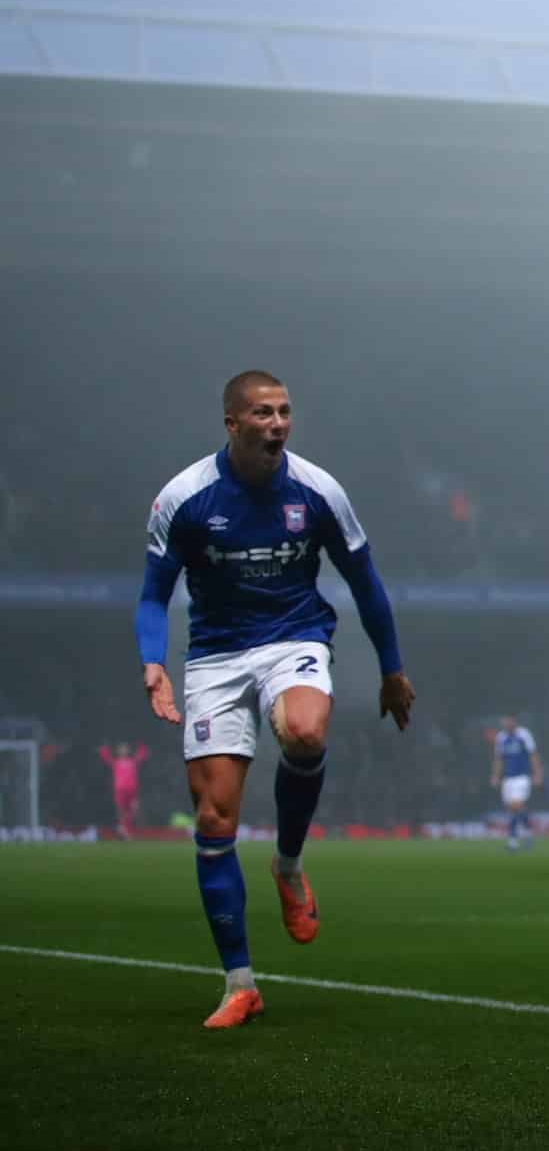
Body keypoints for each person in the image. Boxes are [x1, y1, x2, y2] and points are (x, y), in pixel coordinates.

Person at [136, 371, 415, 1028]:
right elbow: (153, 593)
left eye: (285, 411)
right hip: (215, 655)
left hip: (294, 636)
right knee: (213, 821)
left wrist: (391, 667)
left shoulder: (318, 491)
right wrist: (154, 663)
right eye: (263, 413)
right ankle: (240, 984)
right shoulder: (184, 498)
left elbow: (365, 582)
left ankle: (287, 865)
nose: (278, 423)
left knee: (306, 733)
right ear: (232, 424)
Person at [491, 716, 541, 851]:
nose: (506, 723)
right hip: (507, 778)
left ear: (514, 721)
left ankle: (512, 841)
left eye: (508, 720)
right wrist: (495, 775)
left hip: (522, 777)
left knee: (516, 805)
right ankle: (529, 831)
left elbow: (533, 755)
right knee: (513, 809)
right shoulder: (501, 738)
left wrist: (537, 774)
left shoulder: (524, 735)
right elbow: (498, 758)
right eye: (504, 721)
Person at [98, 742, 150, 839]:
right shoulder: (116, 762)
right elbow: (106, 758)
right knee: (121, 812)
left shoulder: (133, 761)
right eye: (122, 749)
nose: (124, 750)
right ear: (118, 751)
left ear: (128, 750)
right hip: (120, 790)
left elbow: (141, 756)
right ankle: (124, 831)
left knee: (134, 810)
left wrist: (143, 746)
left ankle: (124, 829)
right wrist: (103, 749)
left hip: (132, 790)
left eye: (125, 748)